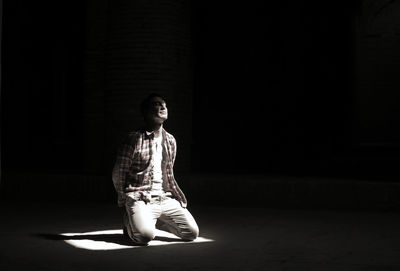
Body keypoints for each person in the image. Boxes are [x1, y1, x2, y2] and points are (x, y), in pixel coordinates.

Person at [112, 93, 199, 245]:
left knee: (191, 233)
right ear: (145, 113)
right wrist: (124, 199)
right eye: (156, 104)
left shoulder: (170, 140)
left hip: (165, 198)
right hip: (140, 197)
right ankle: (131, 220)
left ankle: (148, 220)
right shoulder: (133, 139)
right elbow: (119, 172)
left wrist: (172, 195)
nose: (162, 106)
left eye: (164, 104)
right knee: (144, 237)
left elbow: (168, 173)